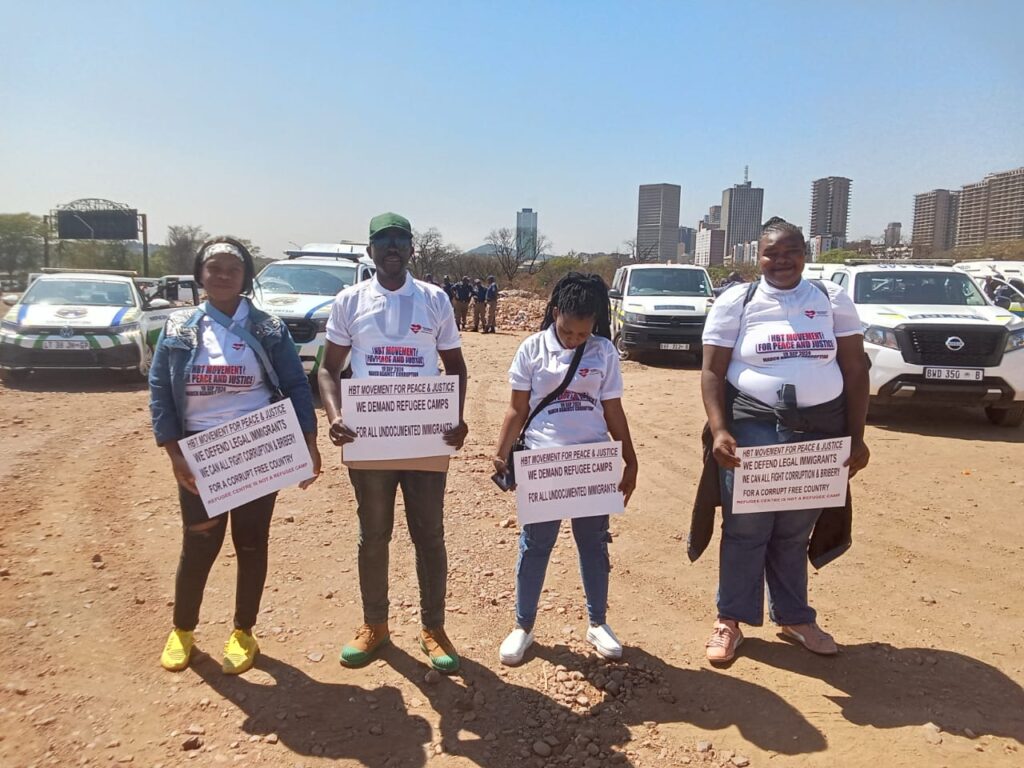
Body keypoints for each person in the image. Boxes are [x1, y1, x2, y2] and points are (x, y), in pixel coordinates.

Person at [697, 217, 870, 664]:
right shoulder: (739, 300)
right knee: (746, 528)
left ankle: (794, 617)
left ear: (805, 254)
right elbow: (713, 371)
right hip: (754, 426)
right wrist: (720, 429)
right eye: (771, 253)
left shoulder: (832, 299)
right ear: (759, 257)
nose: (781, 261)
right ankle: (730, 621)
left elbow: (855, 370)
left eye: (790, 251)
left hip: (820, 433)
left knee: (795, 530)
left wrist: (857, 437)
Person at [150, 236, 322, 675]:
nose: (223, 275)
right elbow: (159, 393)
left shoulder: (267, 328)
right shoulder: (178, 328)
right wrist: (173, 453)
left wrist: (308, 439)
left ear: (245, 275)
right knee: (200, 541)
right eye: (214, 267)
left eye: (232, 267)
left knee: (250, 541)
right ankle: (183, 630)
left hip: (255, 447)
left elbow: (297, 384)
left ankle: (244, 631)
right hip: (200, 451)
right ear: (200, 274)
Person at [318, 212, 469, 673]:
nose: (391, 247)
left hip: (423, 438)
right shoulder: (350, 301)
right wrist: (336, 414)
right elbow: (328, 369)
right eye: (382, 240)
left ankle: (433, 626)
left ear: (411, 249)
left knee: (429, 534)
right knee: (374, 536)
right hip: (369, 441)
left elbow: (457, 368)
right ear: (370, 251)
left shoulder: (434, 300)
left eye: (399, 239)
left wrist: (457, 419)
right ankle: (375, 626)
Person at [492, 273, 639, 665]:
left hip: (591, 464)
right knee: (535, 544)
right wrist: (500, 452)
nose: (574, 339)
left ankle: (598, 622)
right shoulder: (531, 349)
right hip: (543, 463)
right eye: (568, 330)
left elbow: (612, 409)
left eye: (582, 333)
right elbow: (517, 408)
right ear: (555, 312)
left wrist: (630, 457)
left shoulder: (603, 351)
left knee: (593, 542)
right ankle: (523, 627)